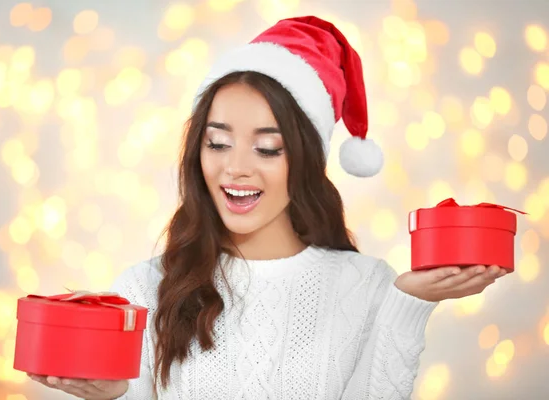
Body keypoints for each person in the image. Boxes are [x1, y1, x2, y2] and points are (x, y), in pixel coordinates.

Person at [29, 16, 507, 399]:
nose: (235, 168)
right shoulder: (144, 286)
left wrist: (411, 303)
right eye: (217, 143)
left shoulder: (366, 285)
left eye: (267, 149)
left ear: (305, 160)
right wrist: (114, 395)